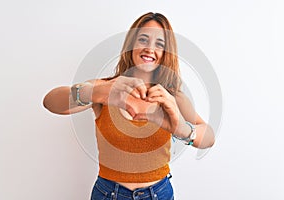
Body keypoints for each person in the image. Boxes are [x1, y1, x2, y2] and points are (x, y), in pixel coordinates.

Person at [43, 12, 215, 200]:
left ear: (166, 53)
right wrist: (96, 92)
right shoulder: (106, 88)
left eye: (159, 44)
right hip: (108, 194)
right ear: (131, 45)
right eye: (143, 39)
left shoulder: (172, 97)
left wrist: (181, 129)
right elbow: (50, 102)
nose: (150, 49)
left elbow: (209, 137)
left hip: (159, 194)